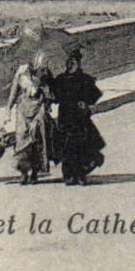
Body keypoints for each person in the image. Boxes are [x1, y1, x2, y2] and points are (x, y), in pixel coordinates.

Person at [50, 46, 105, 185]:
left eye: (73, 62)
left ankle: (80, 174)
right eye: (68, 61)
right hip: (65, 116)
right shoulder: (60, 79)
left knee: (81, 146)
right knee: (67, 147)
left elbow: (95, 95)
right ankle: (68, 175)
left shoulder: (85, 79)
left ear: (78, 63)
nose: (70, 64)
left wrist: (85, 102)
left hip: (80, 118)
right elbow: (55, 97)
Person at [7, 52, 55, 184]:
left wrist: (43, 85)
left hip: (38, 108)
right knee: (21, 139)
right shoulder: (21, 72)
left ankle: (34, 171)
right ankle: (23, 172)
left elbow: (51, 94)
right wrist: (8, 110)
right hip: (23, 108)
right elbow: (13, 91)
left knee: (37, 139)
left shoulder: (44, 73)